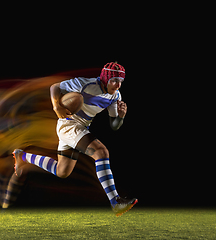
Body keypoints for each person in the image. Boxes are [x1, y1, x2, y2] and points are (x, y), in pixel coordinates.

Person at [12, 62, 137, 216]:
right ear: (105, 78)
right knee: (101, 152)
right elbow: (55, 87)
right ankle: (115, 201)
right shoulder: (85, 83)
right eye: (114, 81)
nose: (117, 85)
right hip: (69, 125)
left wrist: (121, 117)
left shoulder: (115, 96)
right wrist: (56, 106)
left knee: (62, 171)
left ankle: (22, 156)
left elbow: (114, 126)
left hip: (80, 129)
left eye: (120, 81)